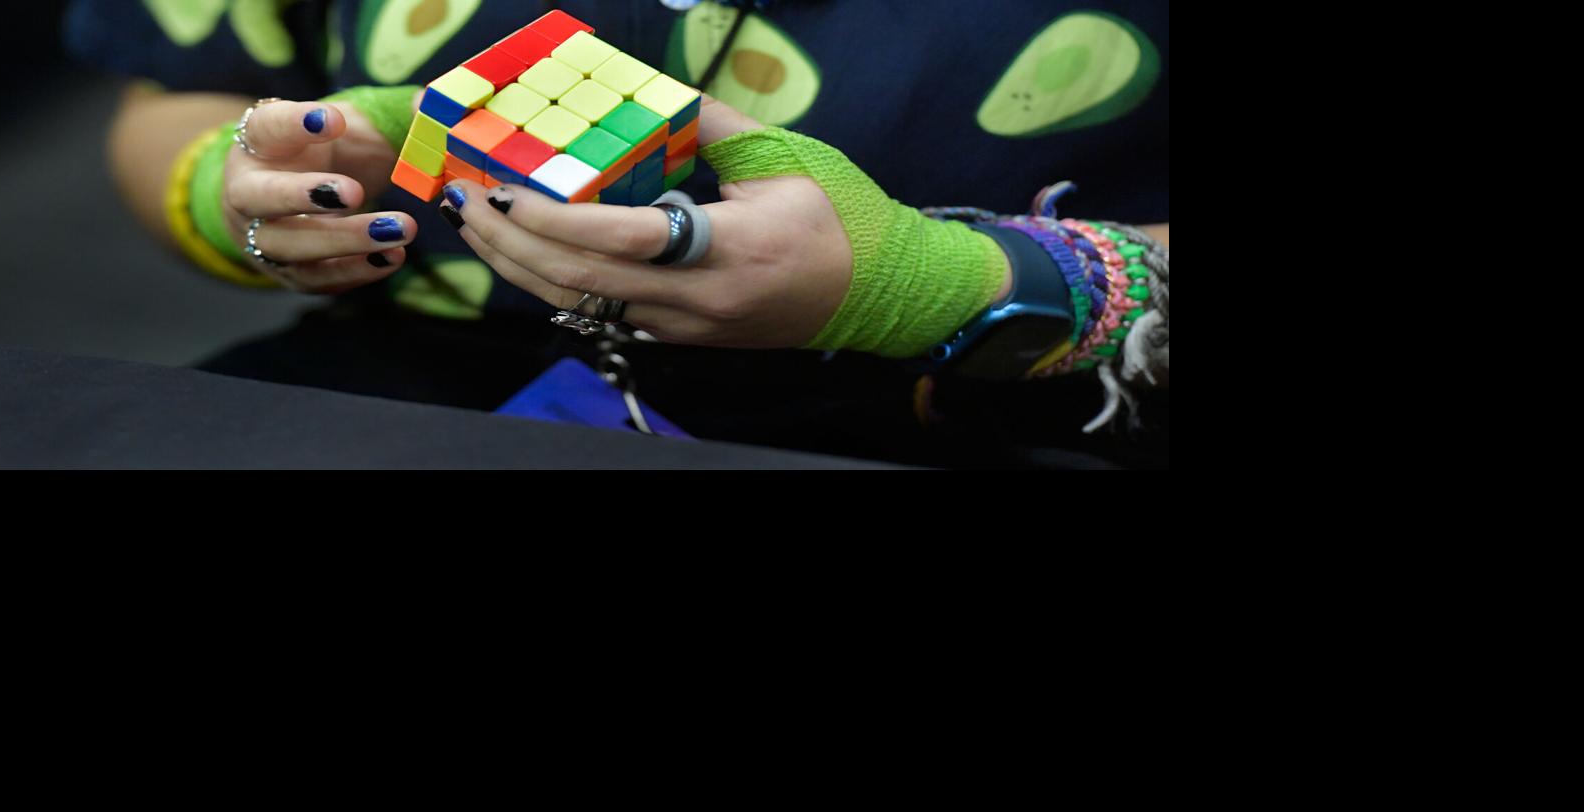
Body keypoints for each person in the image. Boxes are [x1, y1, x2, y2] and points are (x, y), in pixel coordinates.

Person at [67, 0, 1169, 468]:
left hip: (998, 411)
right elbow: (180, 95)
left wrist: (940, 282)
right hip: (411, 370)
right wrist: (242, 191)